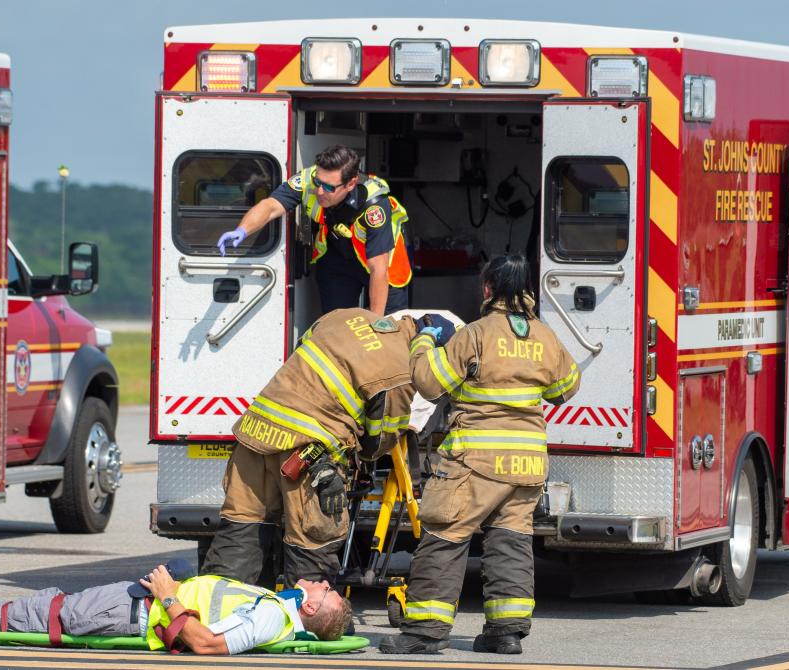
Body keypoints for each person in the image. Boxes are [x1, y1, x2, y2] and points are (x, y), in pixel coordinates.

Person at [379, 254, 581, 655]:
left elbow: (430, 383)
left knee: (444, 534)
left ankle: (424, 632)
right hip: (527, 466)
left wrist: (423, 340)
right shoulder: (544, 336)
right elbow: (566, 387)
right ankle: (505, 633)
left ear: (488, 289)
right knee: (511, 542)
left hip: (475, 461)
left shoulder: (475, 334)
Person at [201, 307, 454, 588]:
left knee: (240, 532)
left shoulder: (348, 315)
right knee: (313, 542)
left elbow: (301, 351)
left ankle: (218, 614)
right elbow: (379, 441)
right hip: (308, 457)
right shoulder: (398, 373)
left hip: (256, 432)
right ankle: (311, 626)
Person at [0, 560, 352, 654]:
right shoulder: (277, 607)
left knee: (27, 616)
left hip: (135, 611)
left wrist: (169, 593)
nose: (322, 582)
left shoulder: (274, 615)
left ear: (309, 611)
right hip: (135, 606)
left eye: (324, 591)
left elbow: (209, 646)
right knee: (34, 609)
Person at [217, 145, 413, 316]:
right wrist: (242, 230)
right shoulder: (309, 179)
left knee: (387, 331)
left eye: (328, 187)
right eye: (318, 182)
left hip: (383, 263)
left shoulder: (374, 206)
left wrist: (375, 324)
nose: (319, 191)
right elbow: (270, 206)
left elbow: (378, 269)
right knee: (337, 328)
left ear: (350, 184)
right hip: (339, 258)